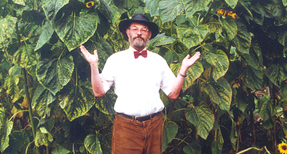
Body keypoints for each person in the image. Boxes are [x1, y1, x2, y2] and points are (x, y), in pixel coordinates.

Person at [80, 13, 200, 154]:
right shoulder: (115, 59)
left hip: (155, 124)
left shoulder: (158, 61)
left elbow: (173, 94)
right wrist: (93, 65)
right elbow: (98, 92)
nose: (139, 33)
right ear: (128, 32)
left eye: (143, 30)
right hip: (126, 126)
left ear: (149, 35)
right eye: (135, 29)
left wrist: (183, 69)